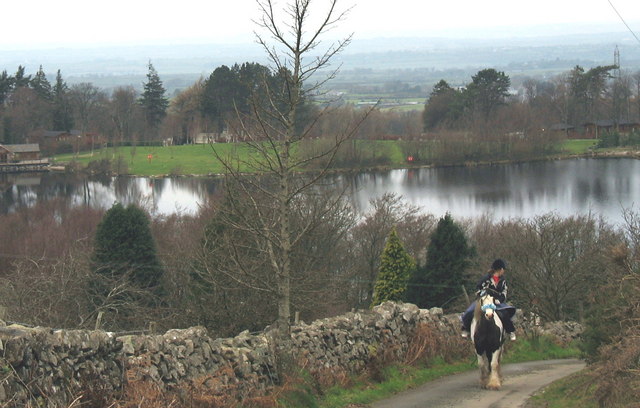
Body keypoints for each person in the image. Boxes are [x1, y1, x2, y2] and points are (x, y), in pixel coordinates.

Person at [460, 259, 517, 341]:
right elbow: (478, 290)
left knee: (505, 313)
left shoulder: (503, 281)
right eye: (503, 269)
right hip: (483, 301)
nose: (504, 271)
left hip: (497, 302)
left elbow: (504, 292)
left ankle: (510, 331)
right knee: (470, 311)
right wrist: (485, 297)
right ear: (500, 269)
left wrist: (499, 300)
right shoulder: (485, 279)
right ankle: (466, 329)